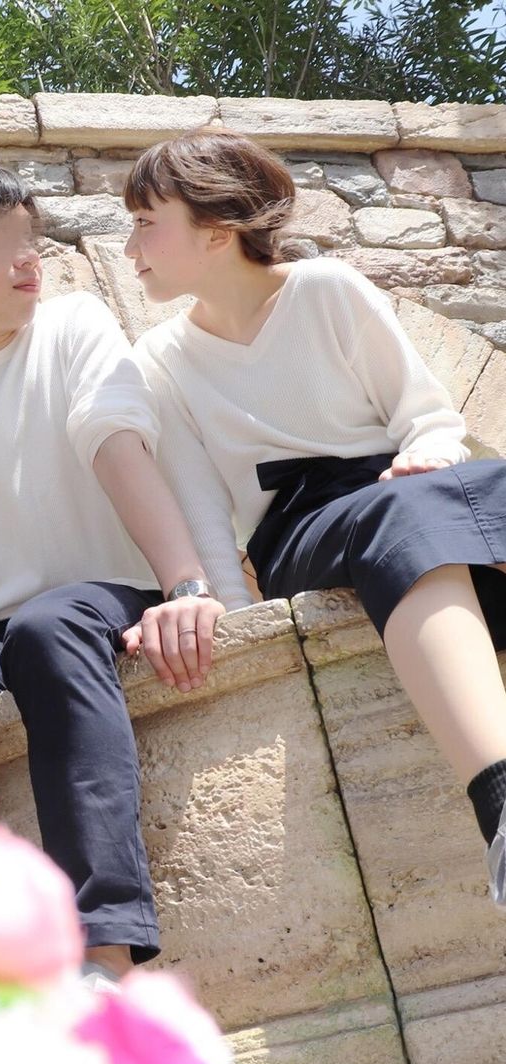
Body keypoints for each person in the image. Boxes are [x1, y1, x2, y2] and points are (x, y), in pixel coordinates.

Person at [0, 156, 233, 979]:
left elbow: (116, 443)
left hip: (107, 596)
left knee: (49, 627)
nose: (31, 258)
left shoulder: (73, 324)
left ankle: (106, 952)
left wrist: (187, 587)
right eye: (2, 239)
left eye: (32, 237)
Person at [123, 127, 506, 906]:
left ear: (216, 231)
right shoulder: (159, 362)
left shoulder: (330, 288)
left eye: (144, 223)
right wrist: (238, 620)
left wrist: (426, 457)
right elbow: (205, 516)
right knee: (402, 515)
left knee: (423, 503)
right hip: (306, 529)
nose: (130, 246)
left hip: (410, 489)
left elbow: (428, 419)